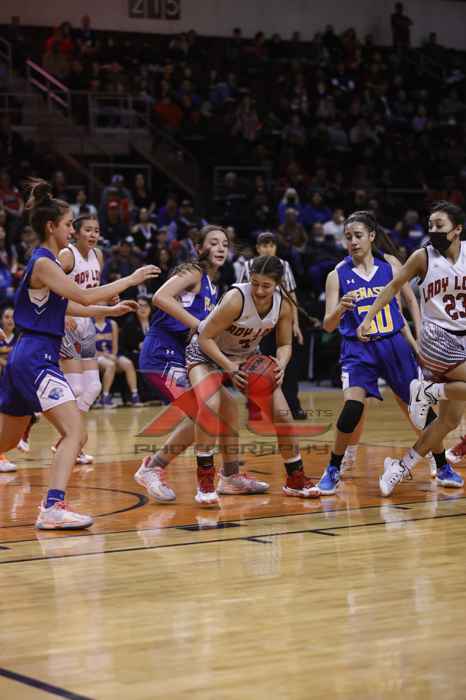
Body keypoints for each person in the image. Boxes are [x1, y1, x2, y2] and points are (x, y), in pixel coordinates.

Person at [0, 178, 159, 529]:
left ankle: (53, 506)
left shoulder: (48, 264)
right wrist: (130, 279)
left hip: (26, 355)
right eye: (69, 224)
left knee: (6, 440)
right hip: (37, 357)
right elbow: (84, 296)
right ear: (51, 226)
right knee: (76, 433)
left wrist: (107, 311)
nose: (72, 230)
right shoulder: (45, 263)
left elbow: (68, 305)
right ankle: (52, 508)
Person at [135, 225, 268, 501]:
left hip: (181, 356)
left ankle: (230, 477)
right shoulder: (193, 271)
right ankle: (152, 467)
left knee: (228, 408)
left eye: (224, 244)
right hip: (161, 356)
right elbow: (160, 297)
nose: (221, 248)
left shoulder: (212, 286)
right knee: (204, 413)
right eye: (214, 243)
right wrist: (199, 325)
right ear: (198, 248)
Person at [315, 210, 443, 495]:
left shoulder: (391, 265)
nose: (353, 241)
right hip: (358, 349)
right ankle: (334, 467)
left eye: (358, 235)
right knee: (353, 409)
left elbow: (410, 303)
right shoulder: (337, 275)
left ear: (371, 236)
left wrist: (419, 339)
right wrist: (340, 308)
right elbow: (327, 325)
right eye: (348, 237)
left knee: (417, 407)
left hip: (393, 344)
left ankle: (440, 460)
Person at [185, 255, 321, 505]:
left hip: (246, 357)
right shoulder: (236, 298)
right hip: (206, 353)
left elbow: (284, 344)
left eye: (266, 286)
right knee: (211, 406)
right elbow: (204, 337)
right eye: (255, 283)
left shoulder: (283, 305)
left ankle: (295, 479)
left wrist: (280, 364)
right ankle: (205, 481)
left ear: (277, 284)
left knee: (283, 415)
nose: (259, 290)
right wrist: (229, 367)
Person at [357, 202, 466, 495]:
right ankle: (428, 392)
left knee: (448, 421)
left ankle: (399, 468)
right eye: (430, 225)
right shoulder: (423, 256)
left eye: (440, 225)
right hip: (436, 338)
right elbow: (393, 287)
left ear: (457, 229)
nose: (433, 230)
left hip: (463, 340)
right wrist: (368, 318)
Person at [237, 231, 311, 419]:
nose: (268, 249)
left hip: (280, 320)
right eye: (264, 245)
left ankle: (292, 406)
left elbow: (291, 296)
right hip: (256, 322)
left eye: (271, 245)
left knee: (286, 366)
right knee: (254, 364)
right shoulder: (248, 266)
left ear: (276, 248)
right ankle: (255, 407)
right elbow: (242, 295)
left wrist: (295, 324)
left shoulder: (284, 266)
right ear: (258, 248)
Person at [54, 213, 104, 462]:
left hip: (87, 324)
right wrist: (61, 313)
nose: (93, 234)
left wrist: (109, 297)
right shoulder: (67, 255)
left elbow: (94, 291)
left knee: (94, 387)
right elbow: (48, 284)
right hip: (68, 323)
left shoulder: (98, 255)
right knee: (75, 387)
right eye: (88, 229)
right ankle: (72, 442)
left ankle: (67, 441)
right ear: (76, 231)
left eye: (96, 230)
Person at [95, 314, 143, 407]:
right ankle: (105, 396)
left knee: (128, 364)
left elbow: (115, 344)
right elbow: (89, 347)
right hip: (97, 355)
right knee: (110, 365)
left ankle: (134, 395)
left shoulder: (112, 323)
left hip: (111, 354)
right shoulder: (90, 324)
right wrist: (104, 355)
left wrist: (113, 355)